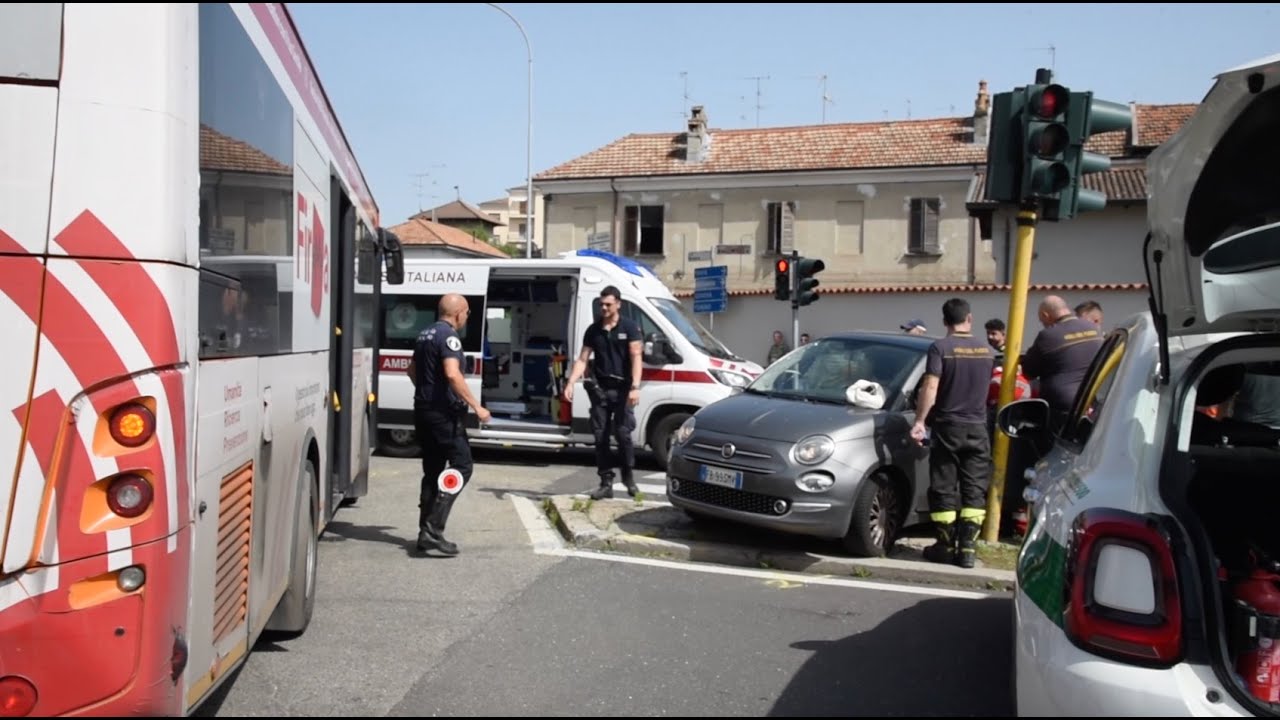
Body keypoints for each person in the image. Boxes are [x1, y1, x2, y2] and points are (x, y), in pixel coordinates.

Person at [909, 298, 994, 569]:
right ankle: (968, 550)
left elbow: (930, 387)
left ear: (944, 322)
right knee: (974, 489)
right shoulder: (986, 349)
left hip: (948, 426)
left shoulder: (941, 348)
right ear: (970, 318)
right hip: (978, 427)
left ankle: (945, 546)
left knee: (944, 487)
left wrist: (920, 420)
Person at [406, 293, 491, 556]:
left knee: (432, 470)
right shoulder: (449, 337)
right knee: (462, 465)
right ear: (458, 313)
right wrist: (476, 406)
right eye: (466, 313)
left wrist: (427, 395)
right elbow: (452, 373)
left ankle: (424, 532)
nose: (466, 318)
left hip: (423, 411)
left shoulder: (425, 334)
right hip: (443, 416)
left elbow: (411, 371)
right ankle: (433, 529)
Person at [564, 285, 644, 499]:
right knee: (600, 437)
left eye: (608, 304)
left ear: (618, 304)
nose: (604, 308)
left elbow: (636, 357)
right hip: (600, 390)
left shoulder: (630, 327)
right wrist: (571, 382)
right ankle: (605, 482)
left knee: (623, 434)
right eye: (602, 305)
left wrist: (635, 387)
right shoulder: (594, 330)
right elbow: (582, 359)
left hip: (624, 390)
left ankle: (628, 476)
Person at [1021, 295, 1104, 434]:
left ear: (1045, 315)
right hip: (1092, 403)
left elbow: (1029, 371)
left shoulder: (1047, 336)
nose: (1045, 324)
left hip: (1062, 410)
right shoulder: (1094, 329)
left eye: (1043, 321)